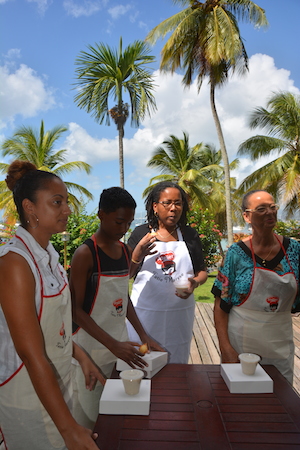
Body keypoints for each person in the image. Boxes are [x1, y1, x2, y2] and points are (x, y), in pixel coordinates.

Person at [0, 160, 105, 450]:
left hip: (55, 390)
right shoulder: (15, 264)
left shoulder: (50, 257)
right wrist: (69, 429)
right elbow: (31, 355)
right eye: (57, 202)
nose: (68, 210)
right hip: (26, 398)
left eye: (67, 202)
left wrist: (81, 356)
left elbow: (51, 327)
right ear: (30, 208)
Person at [70, 187, 163, 430]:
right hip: (88, 347)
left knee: (116, 412)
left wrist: (143, 335)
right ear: (101, 215)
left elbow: (123, 298)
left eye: (129, 223)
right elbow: (75, 311)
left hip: (119, 345)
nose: (124, 230)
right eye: (119, 221)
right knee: (87, 413)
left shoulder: (125, 252)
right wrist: (111, 344)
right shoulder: (85, 254)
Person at [212, 190, 300, 384]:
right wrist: (225, 347)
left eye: (272, 207)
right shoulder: (236, 254)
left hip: (280, 341)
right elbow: (220, 303)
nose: (269, 212)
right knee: (241, 400)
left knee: (279, 400)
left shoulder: (294, 250)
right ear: (247, 216)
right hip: (241, 342)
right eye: (261, 209)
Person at [127, 181, 208, 364]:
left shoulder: (189, 235)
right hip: (144, 315)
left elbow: (201, 271)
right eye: (167, 203)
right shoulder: (141, 234)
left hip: (178, 316)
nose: (173, 208)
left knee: (176, 364)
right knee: (143, 364)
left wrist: (194, 283)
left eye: (178, 203)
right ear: (155, 206)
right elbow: (127, 274)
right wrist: (137, 254)